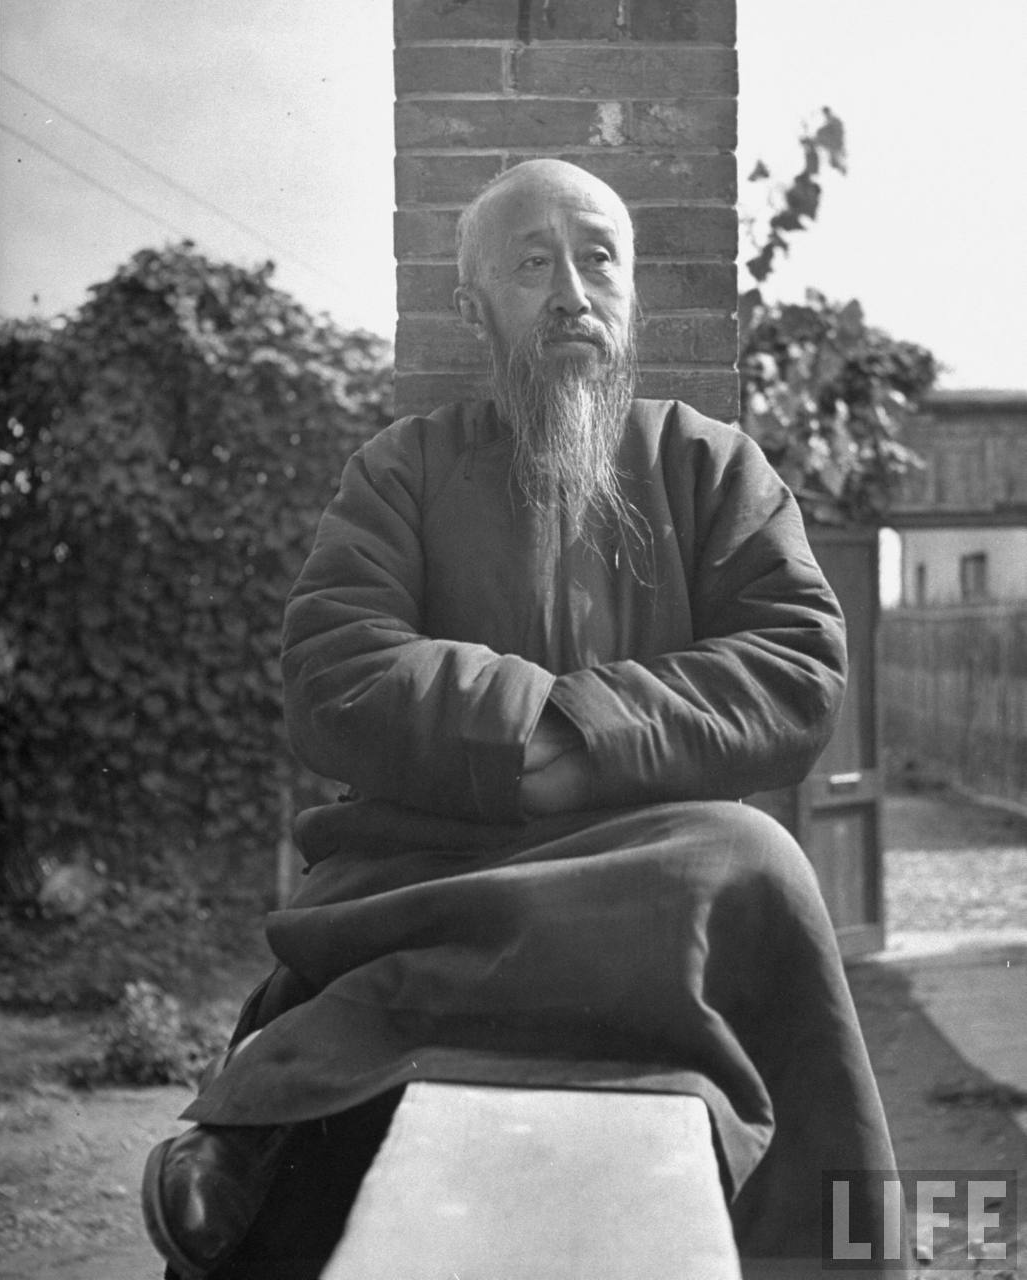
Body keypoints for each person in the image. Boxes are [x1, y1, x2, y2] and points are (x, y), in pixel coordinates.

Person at [142, 158, 906, 1279]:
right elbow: (333, 667)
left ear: (632, 294)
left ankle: (271, 1097)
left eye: (598, 259)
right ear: (475, 307)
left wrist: (578, 737)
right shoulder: (401, 470)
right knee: (739, 866)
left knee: (750, 858)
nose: (571, 293)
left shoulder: (710, 465)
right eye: (532, 264)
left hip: (650, 860)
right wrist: (526, 739)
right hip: (428, 863)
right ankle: (276, 1125)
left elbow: (795, 665)